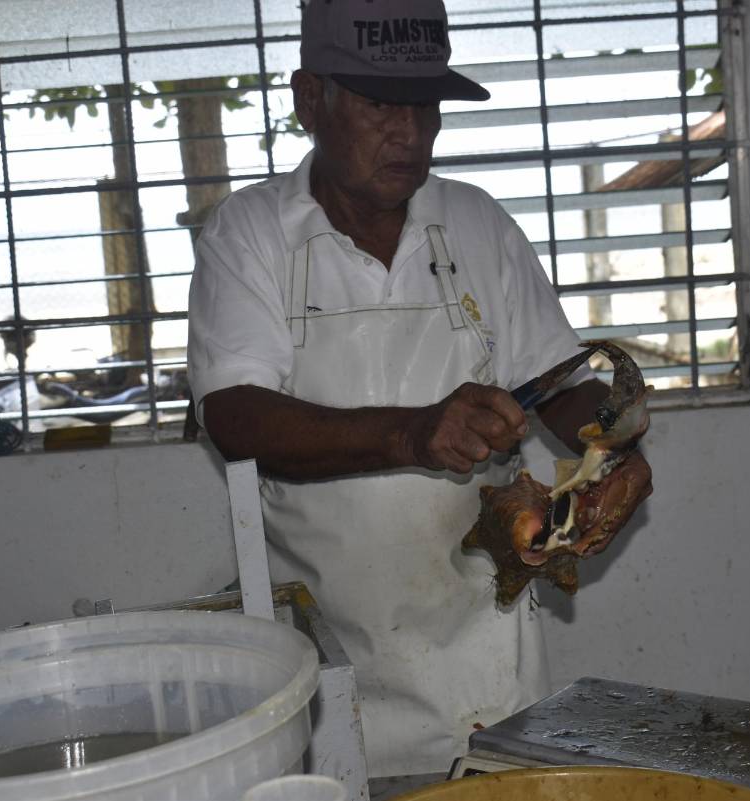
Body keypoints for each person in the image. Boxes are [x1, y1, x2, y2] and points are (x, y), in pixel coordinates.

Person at [188, 0, 652, 778]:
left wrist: (616, 446)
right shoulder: (252, 233)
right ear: (311, 100)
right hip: (326, 668)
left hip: (485, 670)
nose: (410, 132)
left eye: (425, 105)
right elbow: (236, 416)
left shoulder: (477, 225)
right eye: (378, 104)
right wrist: (411, 434)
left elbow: (558, 385)